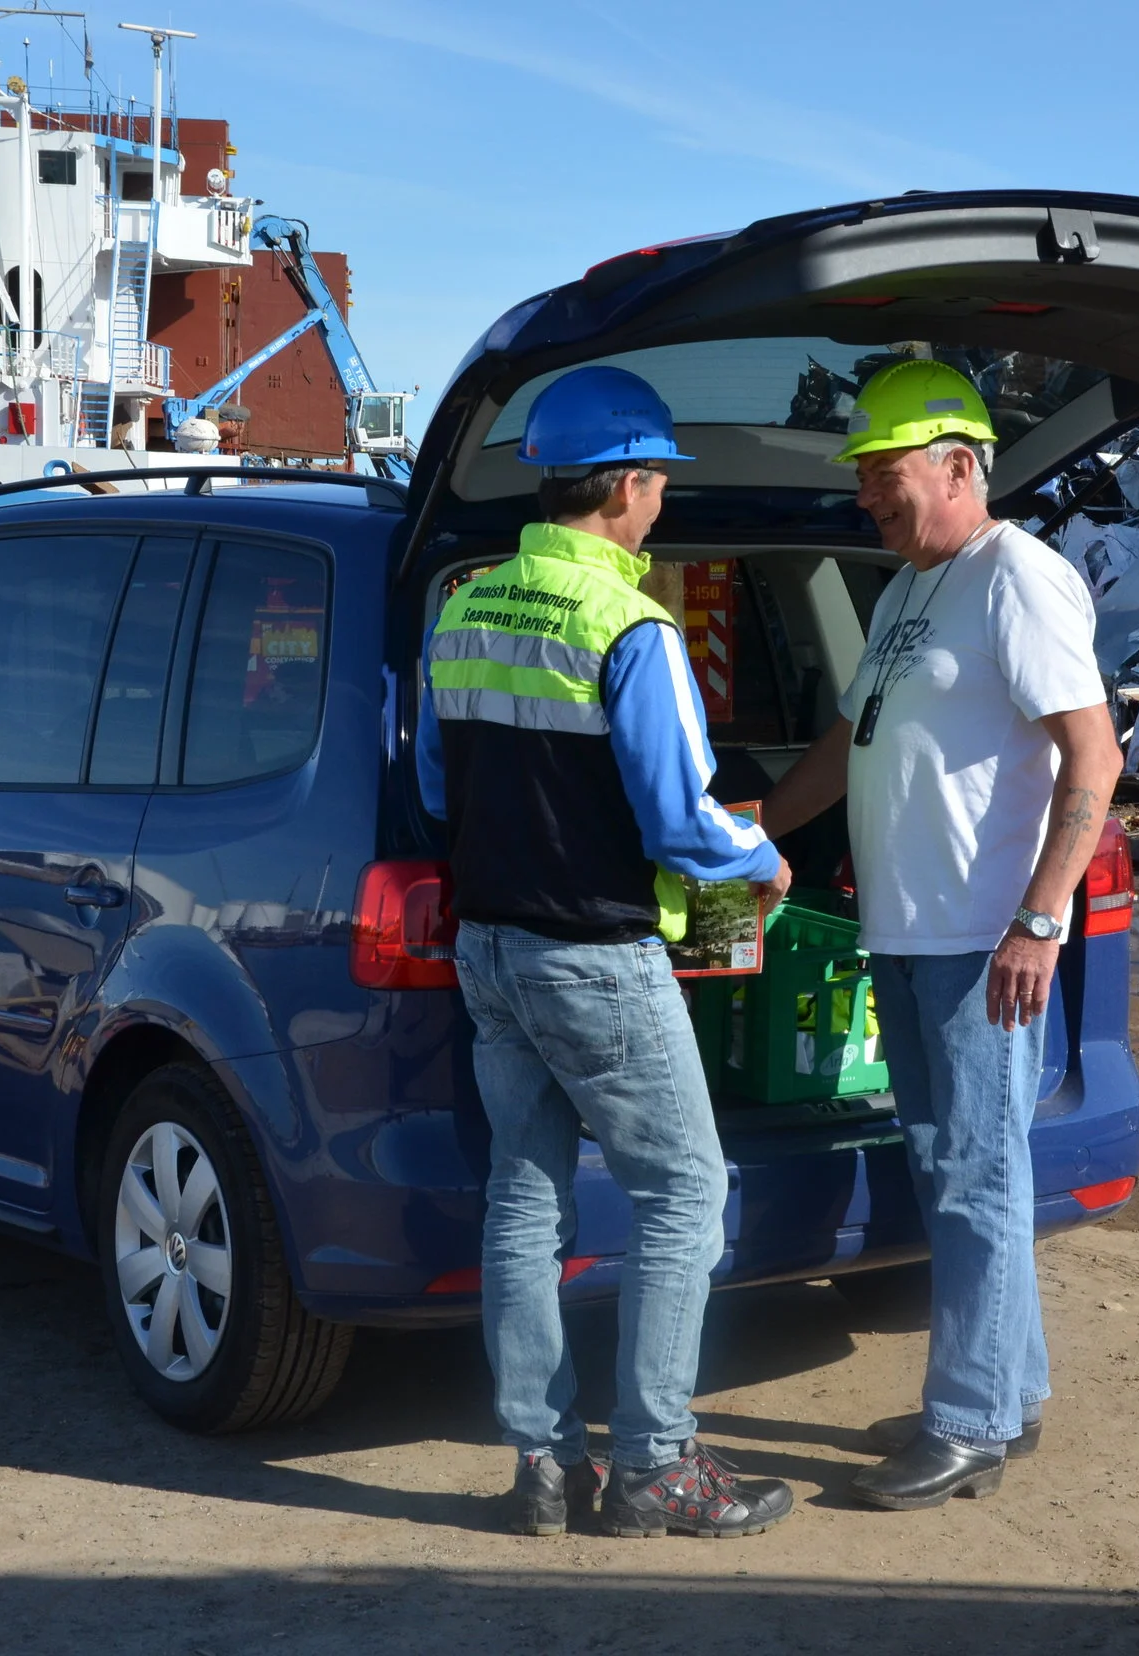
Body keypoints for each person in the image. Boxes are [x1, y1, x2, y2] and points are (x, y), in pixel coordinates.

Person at [416, 365, 798, 1540]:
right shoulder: (631, 627)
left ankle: (541, 1468)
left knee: (523, 1205)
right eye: (659, 482)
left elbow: (436, 785)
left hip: (489, 953)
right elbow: (681, 821)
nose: (662, 503)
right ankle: (655, 1468)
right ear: (627, 484)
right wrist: (761, 862)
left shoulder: (465, 605)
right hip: (596, 958)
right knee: (687, 1195)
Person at [764, 359, 1120, 1510]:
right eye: (863, 475)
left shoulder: (1018, 578)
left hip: (983, 941)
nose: (865, 494)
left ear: (958, 467)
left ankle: (965, 1422)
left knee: (974, 1178)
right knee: (956, 1168)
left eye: (883, 473)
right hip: (910, 935)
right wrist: (753, 825)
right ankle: (1003, 1395)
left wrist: (1039, 916)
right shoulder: (912, 588)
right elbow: (848, 739)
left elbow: (1094, 757)